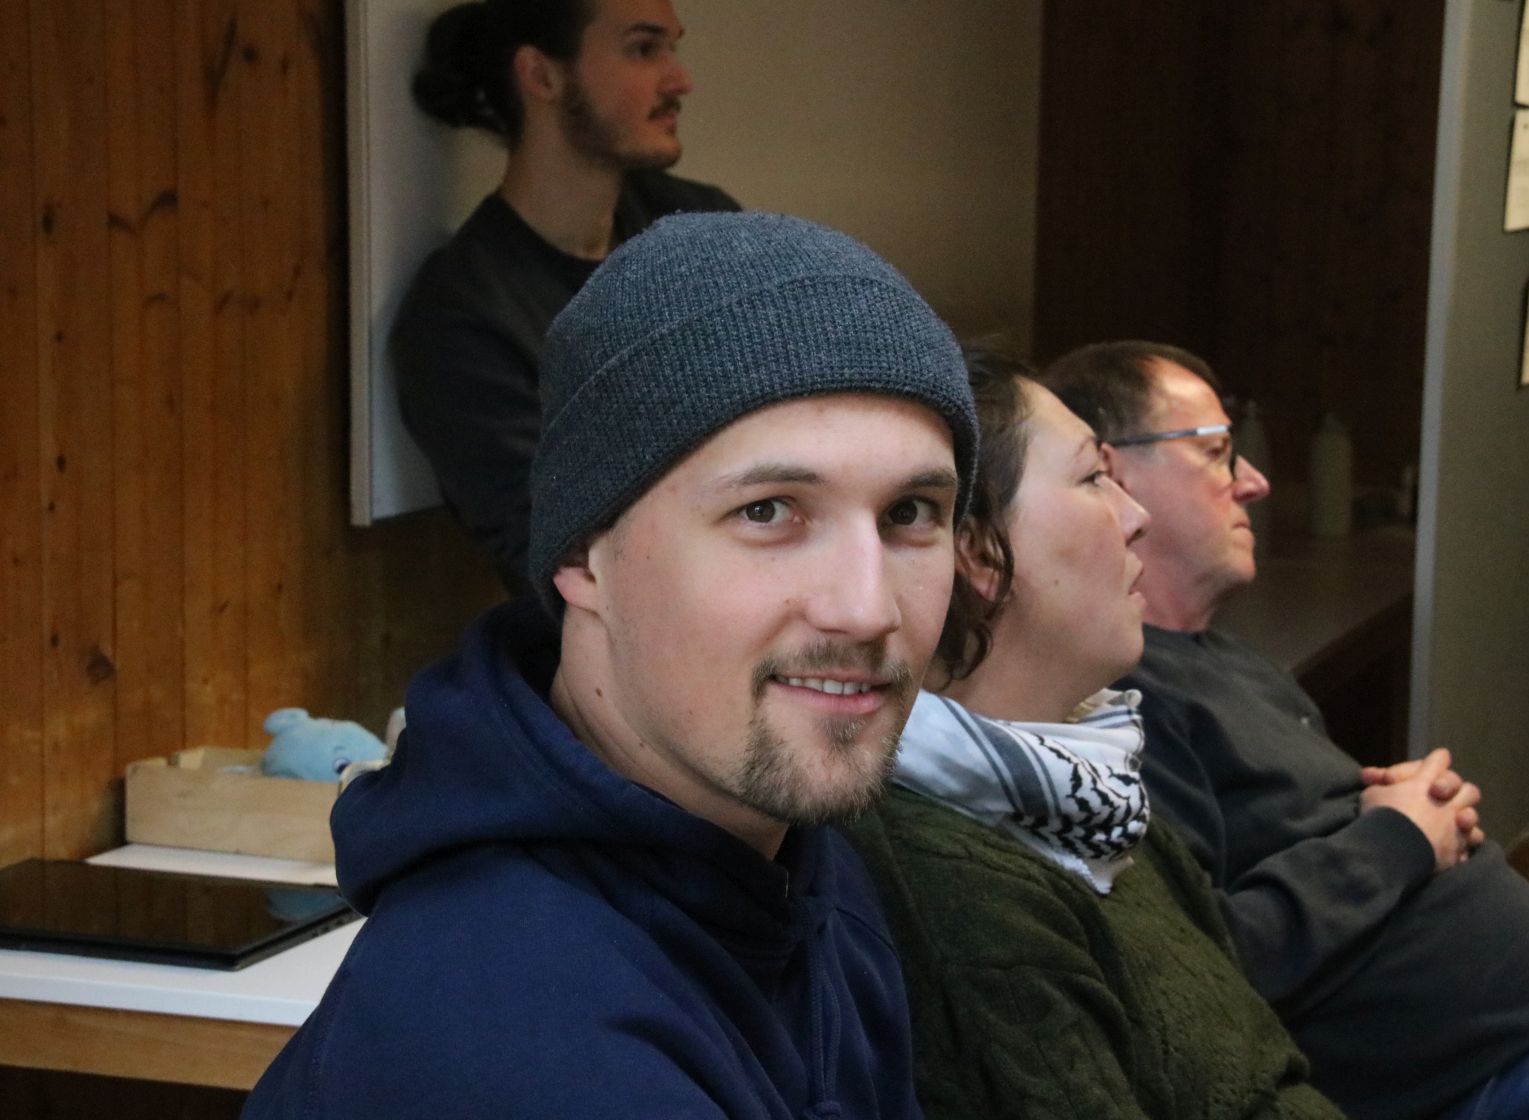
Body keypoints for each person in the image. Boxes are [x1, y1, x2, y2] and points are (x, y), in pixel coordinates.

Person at [242, 212, 980, 1119]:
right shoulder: (513, 1036)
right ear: (582, 555)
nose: (867, 608)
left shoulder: (802, 869)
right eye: (768, 511)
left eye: (910, 513)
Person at [1040, 339, 1529, 1120]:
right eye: (1216, 452)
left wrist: (1416, 808)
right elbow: (1206, 966)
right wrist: (1400, 837)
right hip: (1501, 1075)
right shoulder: (1115, 711)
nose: (1253, 481)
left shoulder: (1228, 660)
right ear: (1114, 476)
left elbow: (1318, 833)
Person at [847, 350, 1347, 1120]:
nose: (1134, 516)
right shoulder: (962, 897)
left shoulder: (1090, 779)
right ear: (979, 552)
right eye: (1092, 478)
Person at [394, 0, 738, 593]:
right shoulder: (465, 314)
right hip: (628, 626)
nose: (679, 80)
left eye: (671, 48)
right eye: (643, 49)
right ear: (542, 75)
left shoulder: (701, 228)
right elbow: (557, 553)